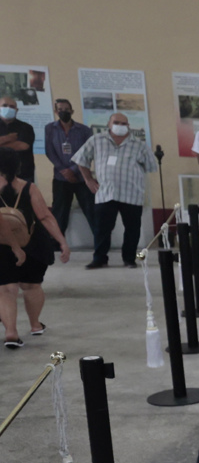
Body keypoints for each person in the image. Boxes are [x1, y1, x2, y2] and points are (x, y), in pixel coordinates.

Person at [0, 148, 73, 347]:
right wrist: (62, 241)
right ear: (18, 166)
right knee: (32, 286)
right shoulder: (29, 188)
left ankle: (11, 332)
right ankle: (35, 325)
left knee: (6, 289)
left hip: (2, 246)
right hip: (32, 244)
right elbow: (45, 217)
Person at [72, 114, 157, 268]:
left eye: (124, 123)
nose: (120, 126)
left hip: (132, 193)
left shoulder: (139, 145)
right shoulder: (96, 140)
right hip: (106, 192)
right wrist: (88, 179)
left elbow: (150, 166)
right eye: (116, 122)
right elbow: (81, 159)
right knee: (102, 228)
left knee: (132, 228)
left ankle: (129, 259)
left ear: (128, 126)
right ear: (109, 124)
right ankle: (99, 259)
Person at [44, 98, 96, 240]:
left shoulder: (84, 130)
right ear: (56, 112)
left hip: (82, 177)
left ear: (72, 111)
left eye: (67, 110)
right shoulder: (50, 129)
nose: (64, 112)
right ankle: (56, 244)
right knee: (59, 212)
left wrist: (73, 170)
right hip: (60, 178)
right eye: (60, 110)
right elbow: (49, 151)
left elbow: (88, 153)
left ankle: (101, 242)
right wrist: (64, 171)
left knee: (91, 210)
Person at [0, 98, 34, 184]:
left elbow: (22, 146)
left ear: (17, 110)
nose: (8, 108)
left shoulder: (26, 127)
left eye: (12, 106)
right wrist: (8, 138)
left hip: (22, 174)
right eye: (4, 105)